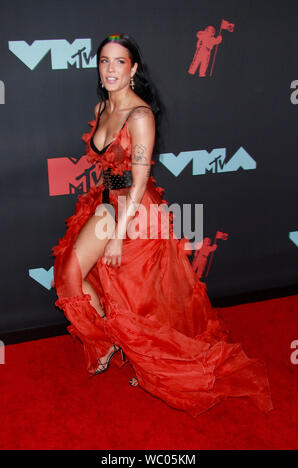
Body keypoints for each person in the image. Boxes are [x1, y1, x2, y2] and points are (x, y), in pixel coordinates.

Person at [52, 34, 273, 417]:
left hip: (133, 212)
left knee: (141, 302)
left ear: (134, 69)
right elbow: (109, 169)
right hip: (104, 201)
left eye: (120, 62)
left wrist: (119, 235)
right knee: (72, 273)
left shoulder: (141, 117)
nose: (110, 69)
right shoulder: (102, 105)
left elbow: (138, 183)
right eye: (104, 61)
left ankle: (138, 353)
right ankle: (109, 341)